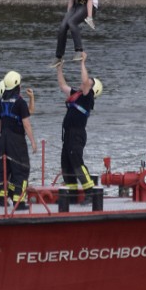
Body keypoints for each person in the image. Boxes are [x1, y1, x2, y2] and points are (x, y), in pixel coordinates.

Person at [0, 70, 37, 210]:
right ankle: (19, 202)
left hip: (3, 139)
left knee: (3, 170)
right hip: (16, 140)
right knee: (22, 169)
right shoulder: (19, 102)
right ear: (17, 86)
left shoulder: (1, 101)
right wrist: (33, 142)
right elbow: (26, 123)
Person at [56, 53, 103, 198]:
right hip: (68, 134)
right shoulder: (77, 94)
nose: (85, 81)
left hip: (77, 134)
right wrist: (59, 69)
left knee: (77, 162)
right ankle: (73, 193)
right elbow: (63, 86)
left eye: (89, 82)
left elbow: (85, 80)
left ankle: (90, 192)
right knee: (66, 164)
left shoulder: (88, 98)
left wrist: (82, 62)